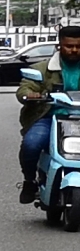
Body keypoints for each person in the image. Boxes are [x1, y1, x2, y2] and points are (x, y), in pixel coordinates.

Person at [16, 21, 80, 203]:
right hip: (50, 118)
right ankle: (30, 181)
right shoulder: (41, 69)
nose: (74, 50)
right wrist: (32, 94)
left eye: (78, 46)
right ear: (59, 45)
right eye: (69, 46)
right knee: (31, 144)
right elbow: (24, 89)